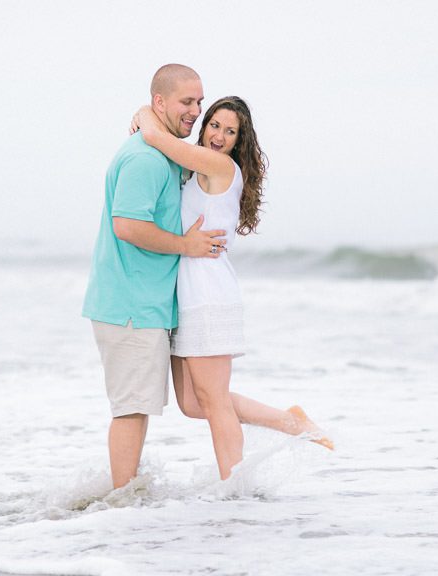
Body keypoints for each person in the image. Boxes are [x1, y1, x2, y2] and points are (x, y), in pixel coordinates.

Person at [130, 96, 333, 481]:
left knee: (215, 403)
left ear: (239, 141)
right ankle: (291, 422)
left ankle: (234, 490)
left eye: (230, 131)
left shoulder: (219, 165)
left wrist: (143, 114)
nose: (219, 136)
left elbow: (156, 137)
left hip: (208, 296)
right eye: (214, 125)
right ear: (204, 126)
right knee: (193, 404)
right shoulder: (197, 167)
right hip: (187, 297)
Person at [82, 64, 230, 490]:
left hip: (144, 304)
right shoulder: (146, 159)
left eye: (199, 101)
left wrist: (148, 121)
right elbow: (126, 226)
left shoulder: (161, 152)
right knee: (131, 408)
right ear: (160, 102)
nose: (196, 111)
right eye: (188, 102)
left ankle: (125, 498)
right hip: (130, 306)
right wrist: (188, 244)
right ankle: (121, 502)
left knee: (139, 405)